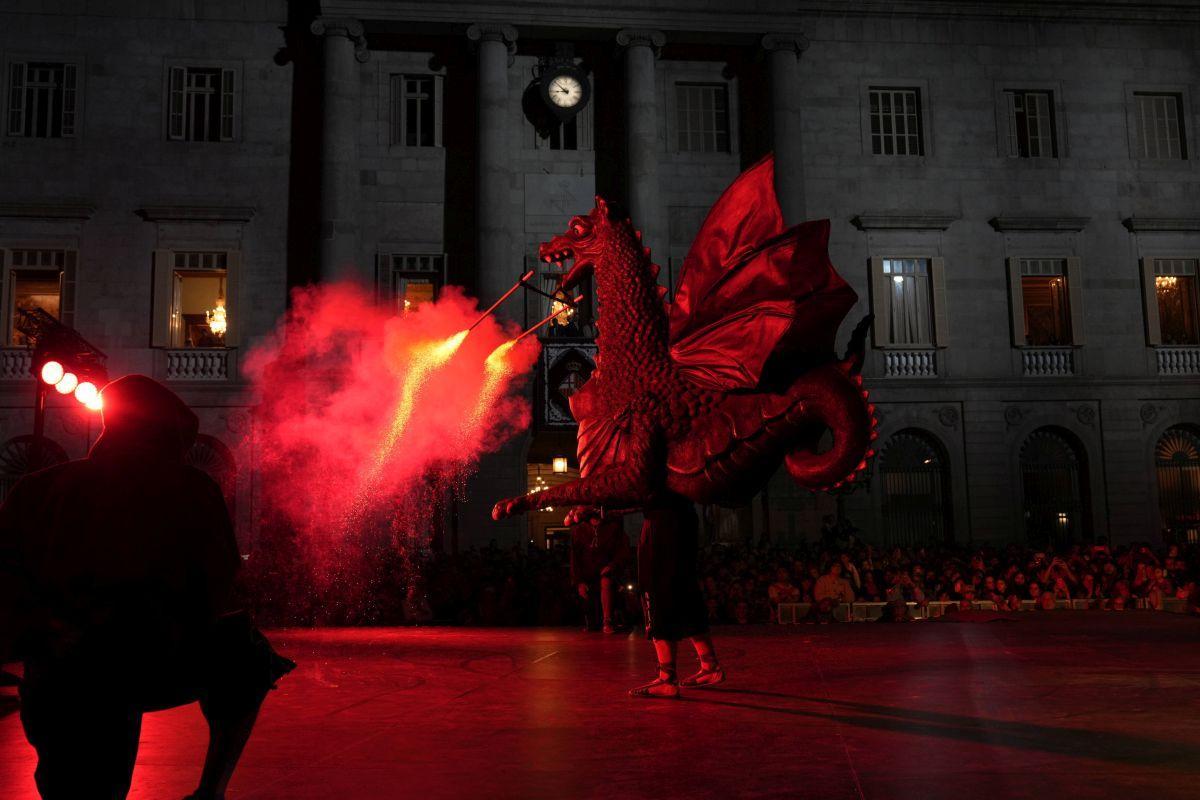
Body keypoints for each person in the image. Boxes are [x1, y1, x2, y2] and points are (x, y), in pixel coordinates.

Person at [0, 375, 292, 800]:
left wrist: (46, 632)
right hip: (149, 659)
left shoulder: (37, 488)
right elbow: (218, 581)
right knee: (248, 656)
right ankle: (211, 789)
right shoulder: (190, 488)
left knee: (74, 782)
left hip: (58, 667)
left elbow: (6, 576)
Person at [630, 491, 723, 699]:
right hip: (684, 517)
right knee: (685, 591)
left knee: (656, 590)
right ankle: (710, 665)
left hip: (661, 519)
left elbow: (636, 487)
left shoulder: (657, 464)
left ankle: (666, 677)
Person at [570, 512, 630, 633]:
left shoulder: (613, 528)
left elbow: (622, 551)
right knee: (588, 602)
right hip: (587, 574)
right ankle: (592, 621)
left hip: (607, 571)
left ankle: (607, 620)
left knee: (606, 582)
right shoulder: (579, 530)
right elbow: (575, 557)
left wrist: (612, 566)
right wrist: (579, 581)